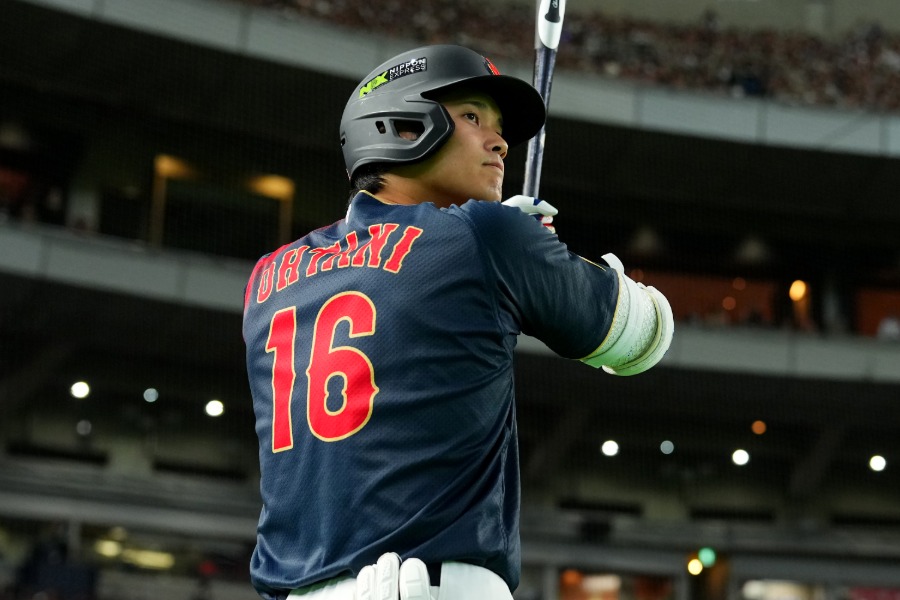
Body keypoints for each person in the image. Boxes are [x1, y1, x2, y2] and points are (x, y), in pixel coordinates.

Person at [242, 44, 674, 600]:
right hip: (432, 585)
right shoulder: (486, 238)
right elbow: (645, 338)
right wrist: (540, 254)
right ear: (400, 126)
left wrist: (510, 251)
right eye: (472, 117)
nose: (500, 141)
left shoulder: (269, 277)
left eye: (498, 127)